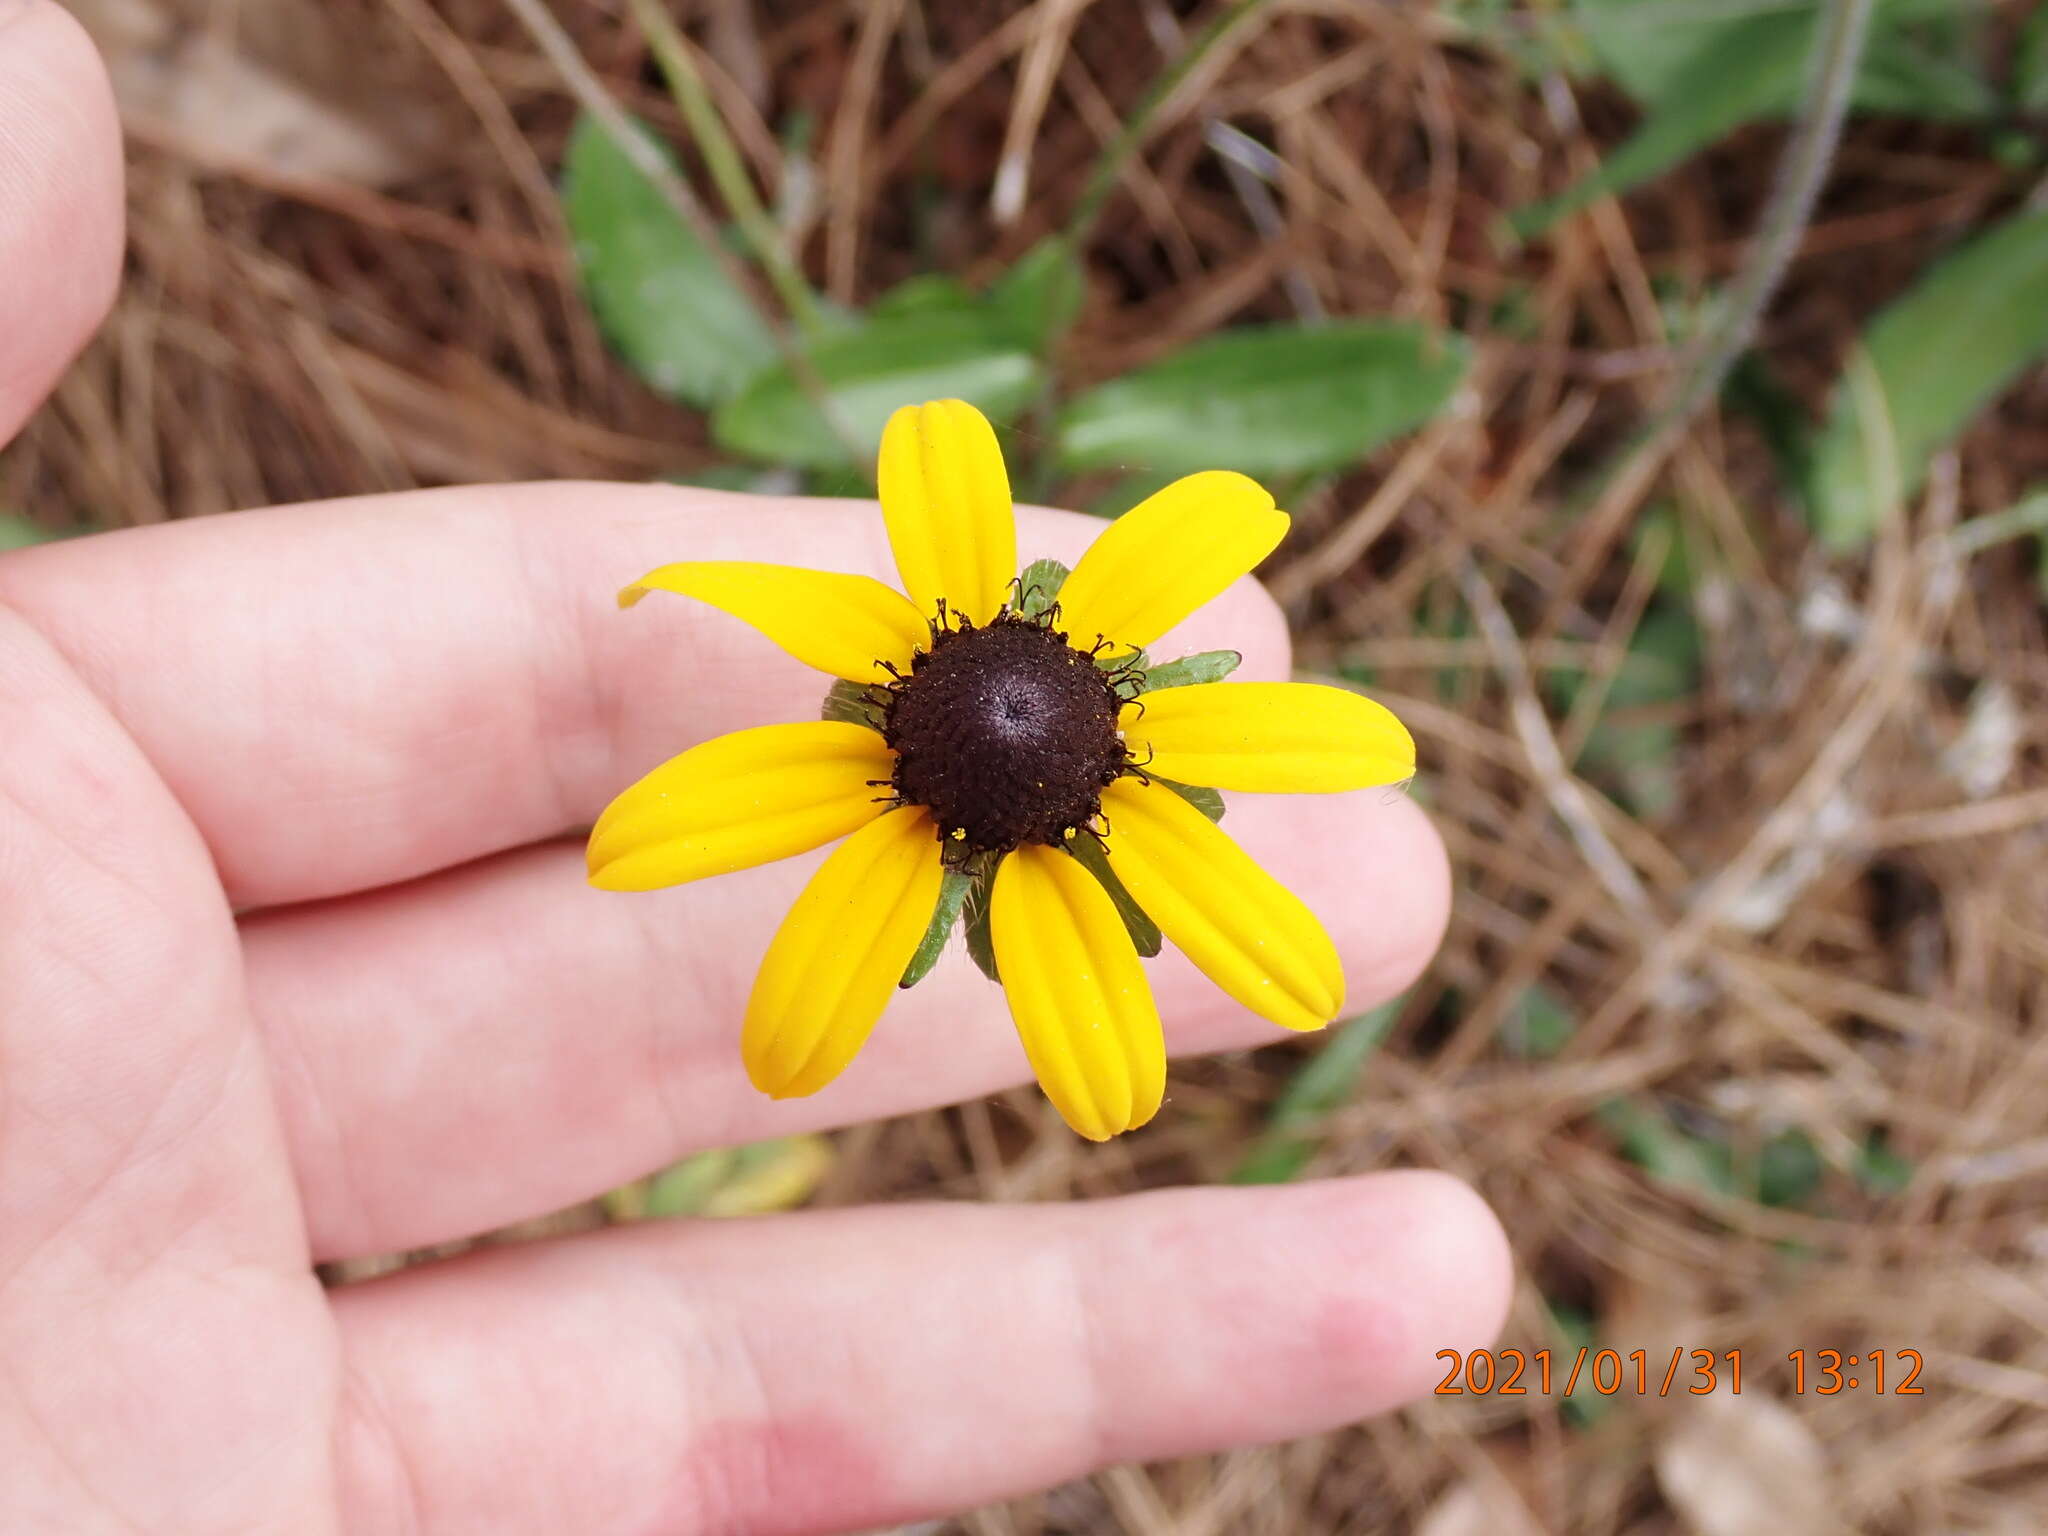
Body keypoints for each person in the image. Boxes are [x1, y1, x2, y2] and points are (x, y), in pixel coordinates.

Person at [0, 4, 1508, 1530]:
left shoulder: (1126, 684)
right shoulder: (876, 682)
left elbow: (1324, 778)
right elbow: (679, 803)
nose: (1003, 707)